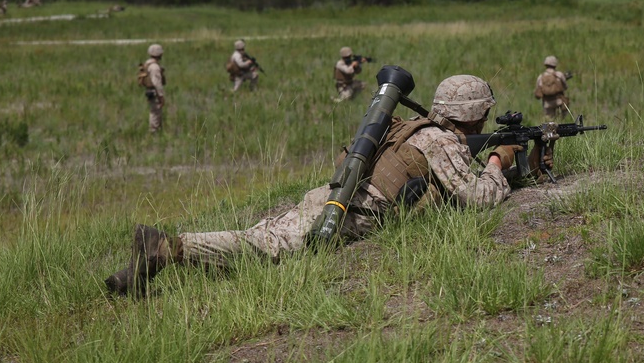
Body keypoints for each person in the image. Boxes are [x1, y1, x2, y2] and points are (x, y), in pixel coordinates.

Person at [105, 74, 550, 296]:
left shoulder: (414, 127)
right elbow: (480, 198)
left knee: (263, 237)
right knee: (264, 248)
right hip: (350, 214)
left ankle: (163, 254)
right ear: (474, 114)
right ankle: (167, 248)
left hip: (334, 196)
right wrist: (498, 160)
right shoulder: (441, 141)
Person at [137, 44, 166, 134]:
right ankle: (154, 131)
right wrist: (161, 96)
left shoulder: (148, 63)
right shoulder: (155, 67)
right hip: (155, 92)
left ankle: (155, 130)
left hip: (150, 91)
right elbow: (157, 83)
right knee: (155, 112)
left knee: (154, 111)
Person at [534, 55, 570, 121]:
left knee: (549, 122)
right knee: (562, 120)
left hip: (547, 103)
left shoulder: (541, 77)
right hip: (559, 101)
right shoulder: (559, 75)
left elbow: (537, 91)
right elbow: (565, 87)